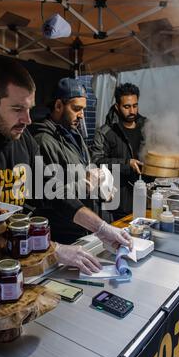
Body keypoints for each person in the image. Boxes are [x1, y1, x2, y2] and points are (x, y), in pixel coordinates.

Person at [0, 59, 132, 298]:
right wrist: (53, 250)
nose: (28, 119)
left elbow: (53, 192)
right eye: (18, 109)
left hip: (16, 265)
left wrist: (101, 228)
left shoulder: (25, 140)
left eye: (29, 109)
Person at [30, 77, 113, 243]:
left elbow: (84, 170)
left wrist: (102, 187)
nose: (81, 115)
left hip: (84, 227)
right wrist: (86, 184)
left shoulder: (74, 134)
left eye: (83, 109)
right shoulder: (43, 141)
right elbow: (48, 193)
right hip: (66, 233)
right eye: (76, 109)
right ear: (59, 105)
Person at [91, 82, 147, 219]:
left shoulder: (146, 126)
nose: (132, 111)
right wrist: (127, 164)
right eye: (127, 107)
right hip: (117, 202)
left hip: (145, 198)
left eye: (135, 105)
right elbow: (96, 162)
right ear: (117, 106)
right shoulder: (105, 132)